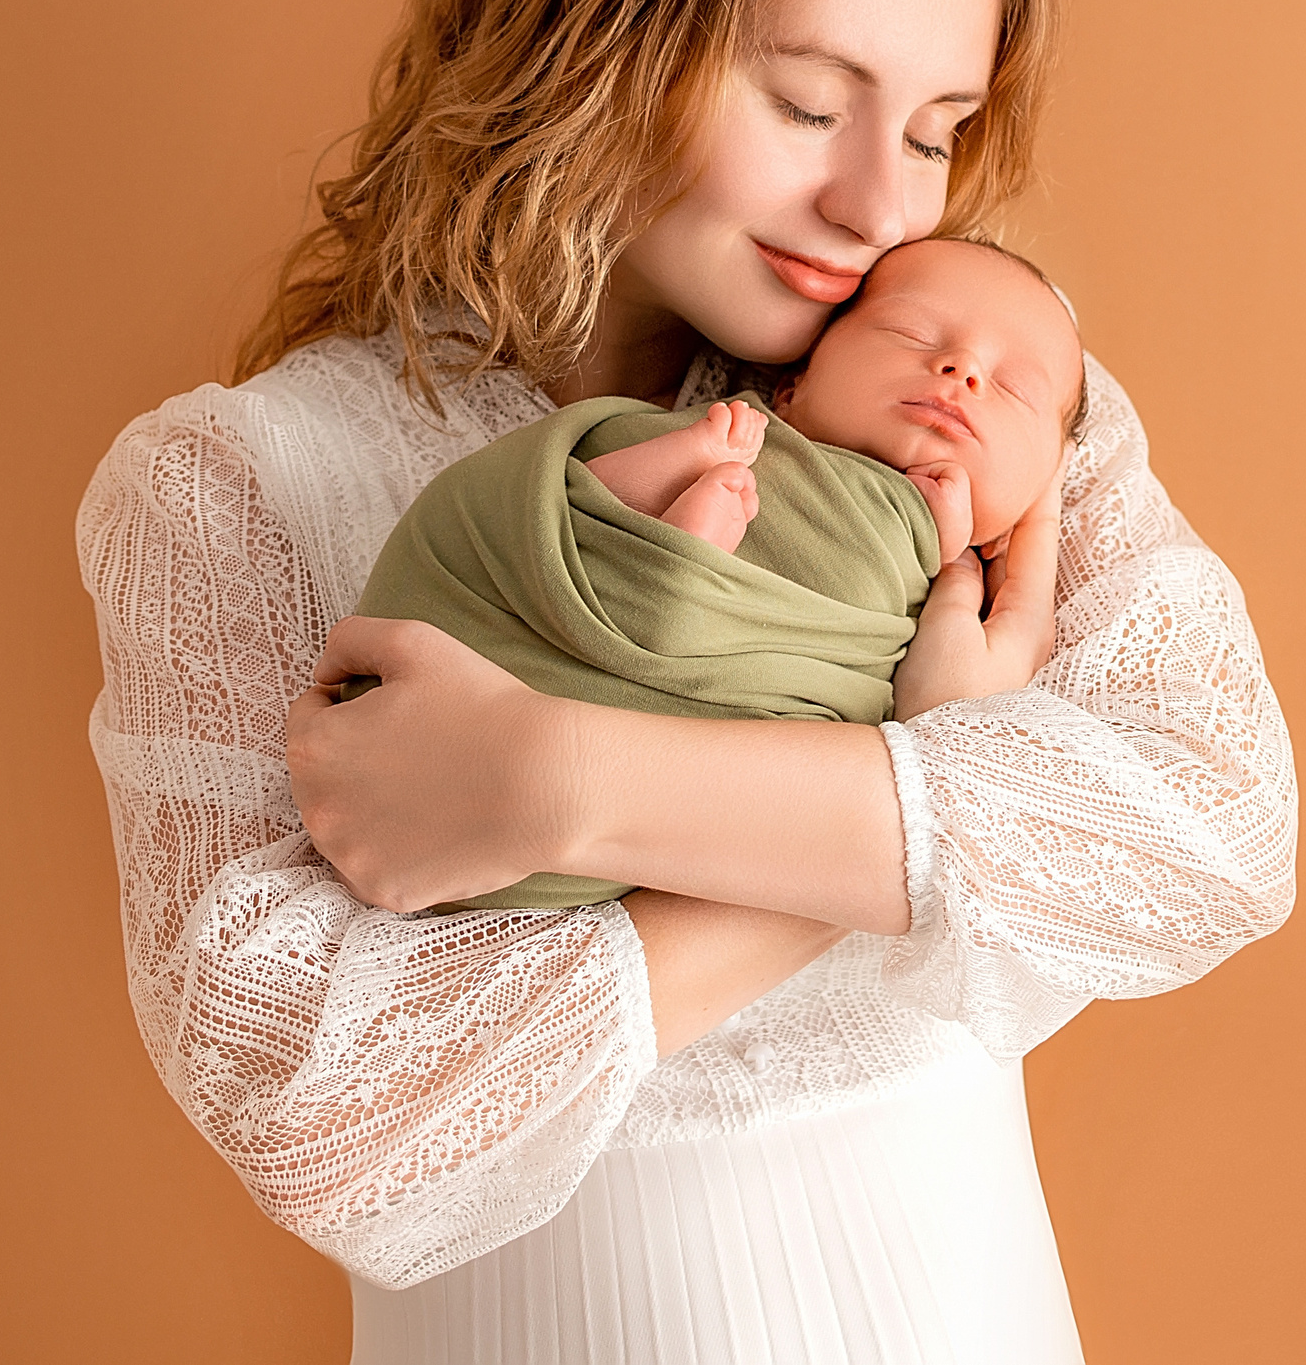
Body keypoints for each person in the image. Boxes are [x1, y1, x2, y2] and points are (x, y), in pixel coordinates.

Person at [76, 0, 1299, 1364]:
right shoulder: (244, 485)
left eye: (936, 133)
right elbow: (324, 1115)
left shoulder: (983, 395)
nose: (881, 205)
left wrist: (569, 786)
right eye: (810, 102)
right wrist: (931, 772)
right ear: (603, 35)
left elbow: (1213, 823)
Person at [346, 235, 1089, 912]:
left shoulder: (964, 586)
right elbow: (567, 494)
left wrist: (946, 542)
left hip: (674, 753)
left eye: (1014, 388)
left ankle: (678, 573)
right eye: (911, 335)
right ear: (795, 385)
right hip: (524, 650)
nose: (960, 372)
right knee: (623, 476)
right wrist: (687, 452)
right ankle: (660, 549)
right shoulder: (756, 430)